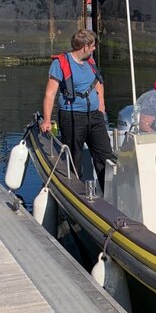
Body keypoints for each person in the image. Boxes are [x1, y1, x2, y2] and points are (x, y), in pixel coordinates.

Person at [40, 29, 110, 191]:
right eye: (93, 46)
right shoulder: (60, 64)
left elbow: (98, 82)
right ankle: (76, 192)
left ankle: (109, 193)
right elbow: (50, 94)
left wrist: (101, 104)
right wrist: (46, 120)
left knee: (105, 156)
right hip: (72, 116)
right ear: (85, 47)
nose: (94, 48)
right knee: (74, 158)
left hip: (95, 117)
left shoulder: (90, 61)